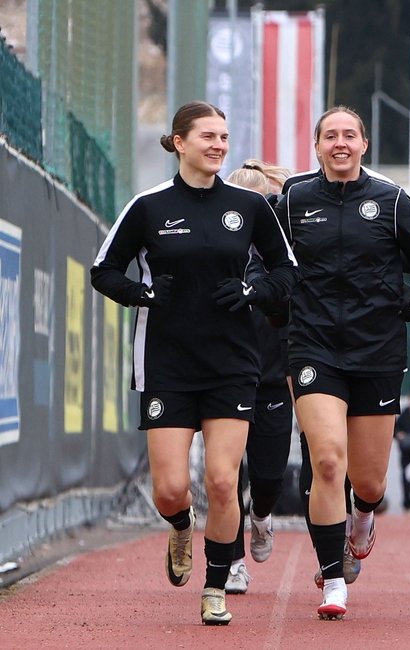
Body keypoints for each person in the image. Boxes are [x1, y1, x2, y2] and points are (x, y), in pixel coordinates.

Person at [90, 101, 298, 625]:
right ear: (179, 142)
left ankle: (215, 585)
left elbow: (286, 273)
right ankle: (182, 527)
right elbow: (103, 270)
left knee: (225, 482)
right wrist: (142, 294)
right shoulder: (148, 206)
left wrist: (253, 289)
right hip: (166, 362)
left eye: (224, 137)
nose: (219, 145)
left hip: (232, 363)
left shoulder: (249, 209)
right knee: (170, 488)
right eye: (208, 136)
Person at [281, 105, 410, 620]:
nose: (340, 144)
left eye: (349, 135)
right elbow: (261, 255)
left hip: (376, 350)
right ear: (316, 146)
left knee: (370, 482)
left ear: (364, 144)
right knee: (328, 460)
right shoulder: (294, 200)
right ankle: (333, 580)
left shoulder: (391, 201)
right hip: (311, 347)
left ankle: (364, 518)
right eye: (330, 136)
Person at [221, 160, 295, 595]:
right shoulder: (217, 249)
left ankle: (261, 517)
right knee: (224, 474)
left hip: (270, 378)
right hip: (226, 376)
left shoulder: (280, 255)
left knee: (268, 479)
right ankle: (231, 563)